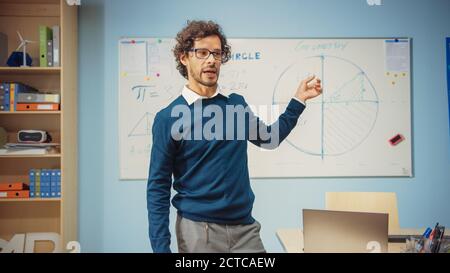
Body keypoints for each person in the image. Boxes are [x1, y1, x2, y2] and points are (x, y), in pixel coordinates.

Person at [147, 20, 322, 253]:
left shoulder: (236, 106)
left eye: (217, 54)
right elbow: (158, 186)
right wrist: (161, 249)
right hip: (198, 232)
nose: (211, 60)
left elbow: (270, 138)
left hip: (245, 230)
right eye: (202, 52)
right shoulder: (168, 118)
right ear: (183, 57)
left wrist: (298, 101)